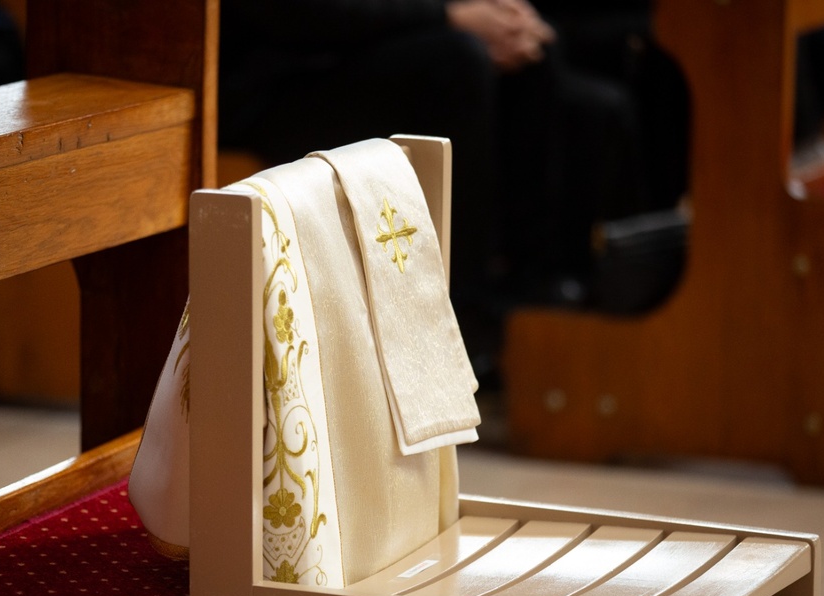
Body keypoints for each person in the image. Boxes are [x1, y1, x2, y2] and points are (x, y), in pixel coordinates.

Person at [218, 0, 671, 379]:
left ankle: (529, 298)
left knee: (528, 51)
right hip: (270, 83)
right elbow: (303, 16)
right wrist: (449, 15)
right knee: (459, 59)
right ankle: (461, 318)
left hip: (352, 53)